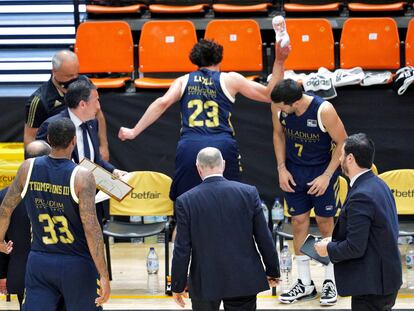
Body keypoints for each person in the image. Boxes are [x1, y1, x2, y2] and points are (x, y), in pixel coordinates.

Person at [119, 39, 290, 201]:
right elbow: (270, 95)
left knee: (185, 206)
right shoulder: (230, 79)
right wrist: (279, 61)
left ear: (195, 60)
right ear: (219, 58)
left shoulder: (183, 80)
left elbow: (161, 103)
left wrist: (134, 131)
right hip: (222, 145)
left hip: (190, 145)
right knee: (230, 203)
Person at [0, 118, 110, 310]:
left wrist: (0, 239)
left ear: (49, 139)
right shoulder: (82, 176)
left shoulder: (27, 168)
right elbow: (92, 228)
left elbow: (5, 209)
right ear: (73, 141)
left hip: (40, 262)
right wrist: (104, 273)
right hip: (75, 261)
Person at [171, 147, 280, 311]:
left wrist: (178, 285)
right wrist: (272, 270)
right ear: (223, 164)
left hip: (205, 280)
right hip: (243, 277)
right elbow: (264, 237)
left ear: (198, 167)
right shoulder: (249, 193)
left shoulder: (185, 201)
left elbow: (182, 249)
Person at [270, 78, 347, 305]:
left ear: (294, 103)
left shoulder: (323, 110)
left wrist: (326, 176)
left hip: (322, 172)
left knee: (325, 223)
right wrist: (281, 168)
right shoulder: (279, 107)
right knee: (298, 222)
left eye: (282, 106)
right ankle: (305, 283)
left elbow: (343, 142)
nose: (278, 109)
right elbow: (278, 135)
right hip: (295, 171)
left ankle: (330, 280)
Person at [315, 133, 402, 311]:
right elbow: (371, 234)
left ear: (350, 158)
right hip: (384, 280)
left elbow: (355, 247)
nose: (339, 159)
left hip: (372, 286)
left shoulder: (361, 195)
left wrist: (328, 249)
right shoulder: (379, 184)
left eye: (341, 154)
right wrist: (334, 241)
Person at [36, 78, 126, 225]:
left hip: (90, 199)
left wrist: (113, 171)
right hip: (64, 203)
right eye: (96, 101)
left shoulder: (92, 123)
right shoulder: (52, 126)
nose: (98, 106)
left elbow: (95, 159)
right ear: (82, 104)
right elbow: (41, 165)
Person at [24, 50, 110, 161]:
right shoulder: (39, 100)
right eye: (69, 75)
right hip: (59, 159)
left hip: (86, 153)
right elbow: (30, 139)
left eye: (76, 74)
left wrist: (103, 146)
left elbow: (98, 114)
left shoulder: (84, 83)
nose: (74, 78)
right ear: (54, 71)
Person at [0, 140, 51, 309]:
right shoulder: (61, 189)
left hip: (20, 272)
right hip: (54, 271)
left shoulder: (4, 195)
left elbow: (3, 243)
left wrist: (2, 273)